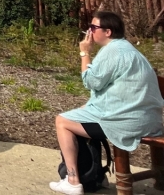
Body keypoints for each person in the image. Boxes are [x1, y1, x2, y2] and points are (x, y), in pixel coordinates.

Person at [50, 11, 164, 195]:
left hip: (126, 122)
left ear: (108, 32)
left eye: (93, 27)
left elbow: (91, 82)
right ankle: (96, 176)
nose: (89, 31)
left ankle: (73, 181)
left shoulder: (112, 51)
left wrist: (84, 52)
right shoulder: (131, 50)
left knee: (62, 121)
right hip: (150, 121)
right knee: (81, 113)